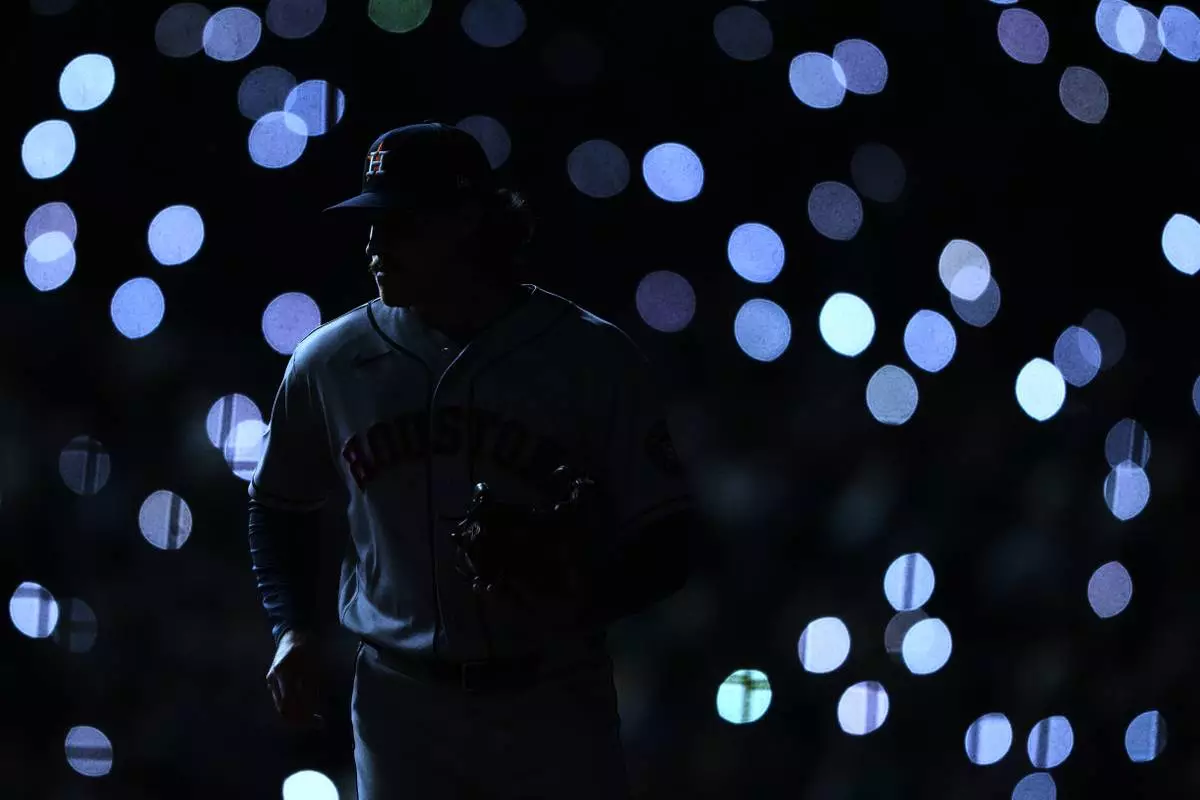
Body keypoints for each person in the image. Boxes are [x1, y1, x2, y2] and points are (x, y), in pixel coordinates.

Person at [248, 122, 697, 799]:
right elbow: (277, 504)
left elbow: (670, 538)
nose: (373, 244)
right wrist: (293, 631)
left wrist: (572, 581)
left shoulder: (591, 359)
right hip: (400, 707)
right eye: (370, 224)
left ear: (465, 221)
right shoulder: (329, 362)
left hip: (552, 700)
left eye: (396, 223)